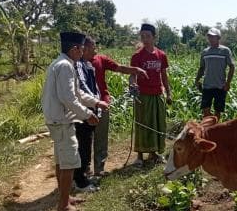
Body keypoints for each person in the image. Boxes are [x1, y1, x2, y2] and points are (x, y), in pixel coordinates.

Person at [41, 31, 108, 211]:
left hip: (58, 119)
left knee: (62, 161)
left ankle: (66, 197)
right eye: (82, 48)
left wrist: (96, 102)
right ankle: (63, 206)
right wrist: (88, 115)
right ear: (74, 49)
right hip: (63, 120)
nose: (83, 51)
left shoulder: (63, 63)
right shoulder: (65, 66)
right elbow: (68, 98)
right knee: (69, 162)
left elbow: (77, 93)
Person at [91, 43, 148, 177]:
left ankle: (99, 169)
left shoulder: (101, 59)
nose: (96, 48)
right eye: (93, 46)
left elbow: (119, 68)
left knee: (101, 137)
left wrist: (135, 70)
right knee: (85, 139)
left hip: (103, 102)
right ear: (85, 47)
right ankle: (85, 171)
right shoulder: (78, 63)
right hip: (86, 104)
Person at [130, 23, 172, 167]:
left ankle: (155, 153)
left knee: (158, 124)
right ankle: (140, 156)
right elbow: (132, 75)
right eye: (142, 36)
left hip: (157, 94)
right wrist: (132, 85)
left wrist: (168, 93)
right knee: (143, 124)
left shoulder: (161, 55)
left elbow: (164, 76)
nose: (145, 39)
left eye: (148, 36)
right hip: (142, 95)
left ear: (154, 37)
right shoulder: (137, 56)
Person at [73, 36, 102, 192]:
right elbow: (83, 89)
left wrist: (97, 103)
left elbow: (94, 87)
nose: (95, 51)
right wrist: (96, 102)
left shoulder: (88, 65)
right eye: (92, 48)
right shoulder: (77, 66)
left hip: (90, 108)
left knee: (86, 144)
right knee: (82, 145)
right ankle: (79, 180)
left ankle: (82, 175)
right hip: (82, 112)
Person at [195, 28, 235, 119]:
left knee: (218, 111)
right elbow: (201, 68)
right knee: (205, 111)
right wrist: (197, 80)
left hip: (220, 86)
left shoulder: (225, 51)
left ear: (218, 38)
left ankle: (215, 129)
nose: (211, 39)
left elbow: (232, 66)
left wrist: (228, 83)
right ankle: (210, 127)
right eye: (209, 37)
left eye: (213, 37)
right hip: (207, 86)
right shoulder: (205, 52)